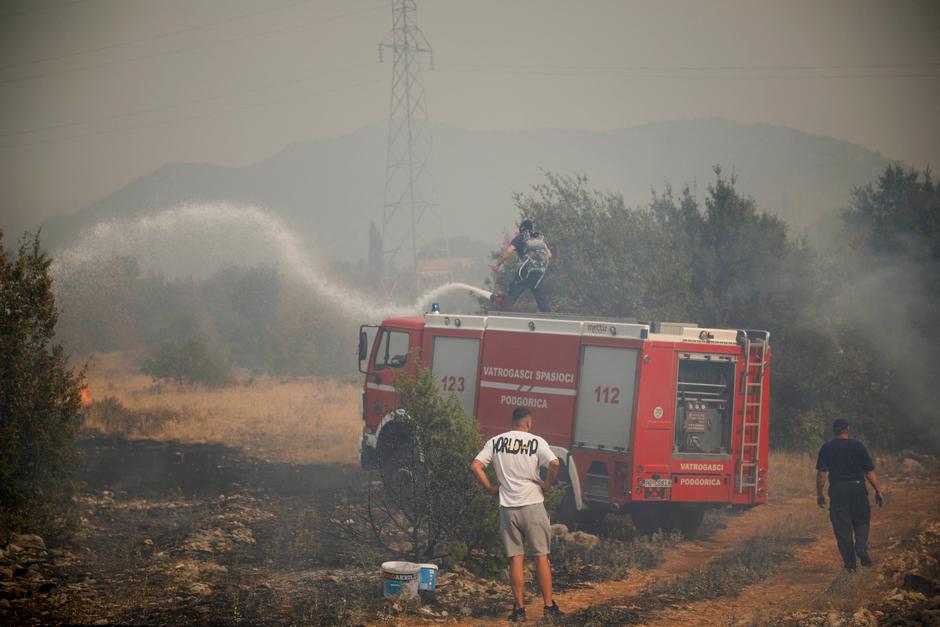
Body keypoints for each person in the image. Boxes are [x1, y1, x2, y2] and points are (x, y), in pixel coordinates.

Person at [470, 407, 562, 622]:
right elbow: (555, 463)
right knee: (541, 557)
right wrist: (547, 484)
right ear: (529, 423)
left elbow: (475, 466)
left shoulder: (496, 441)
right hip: (533, 504)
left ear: (512, 422)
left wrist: (491, 488)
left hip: (508, 507)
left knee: (516, 559)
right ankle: (548, 607)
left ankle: (519, 610)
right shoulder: (536, 442)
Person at [816, 418, 884, 573]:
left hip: (838, 491)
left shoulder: (827, 448)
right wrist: (878, 490)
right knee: (861, 521)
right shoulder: (858, 446)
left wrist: (819, 494)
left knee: (842, 530)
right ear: (848, 429)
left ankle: (851, 566)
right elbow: (869, 472)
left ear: (834, 431)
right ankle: (860, 547)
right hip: (858, 488)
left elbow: (822, 474)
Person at [493, 219, 552, 313]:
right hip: (539, 273)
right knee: (541, 300)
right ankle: (550, 321)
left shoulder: (521, 237)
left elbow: (508, 251)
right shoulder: (539, 238)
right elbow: (549, 254)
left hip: (525, 271)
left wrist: (498, 265)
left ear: (522, 229)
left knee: (512, 294)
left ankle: (503, 317)